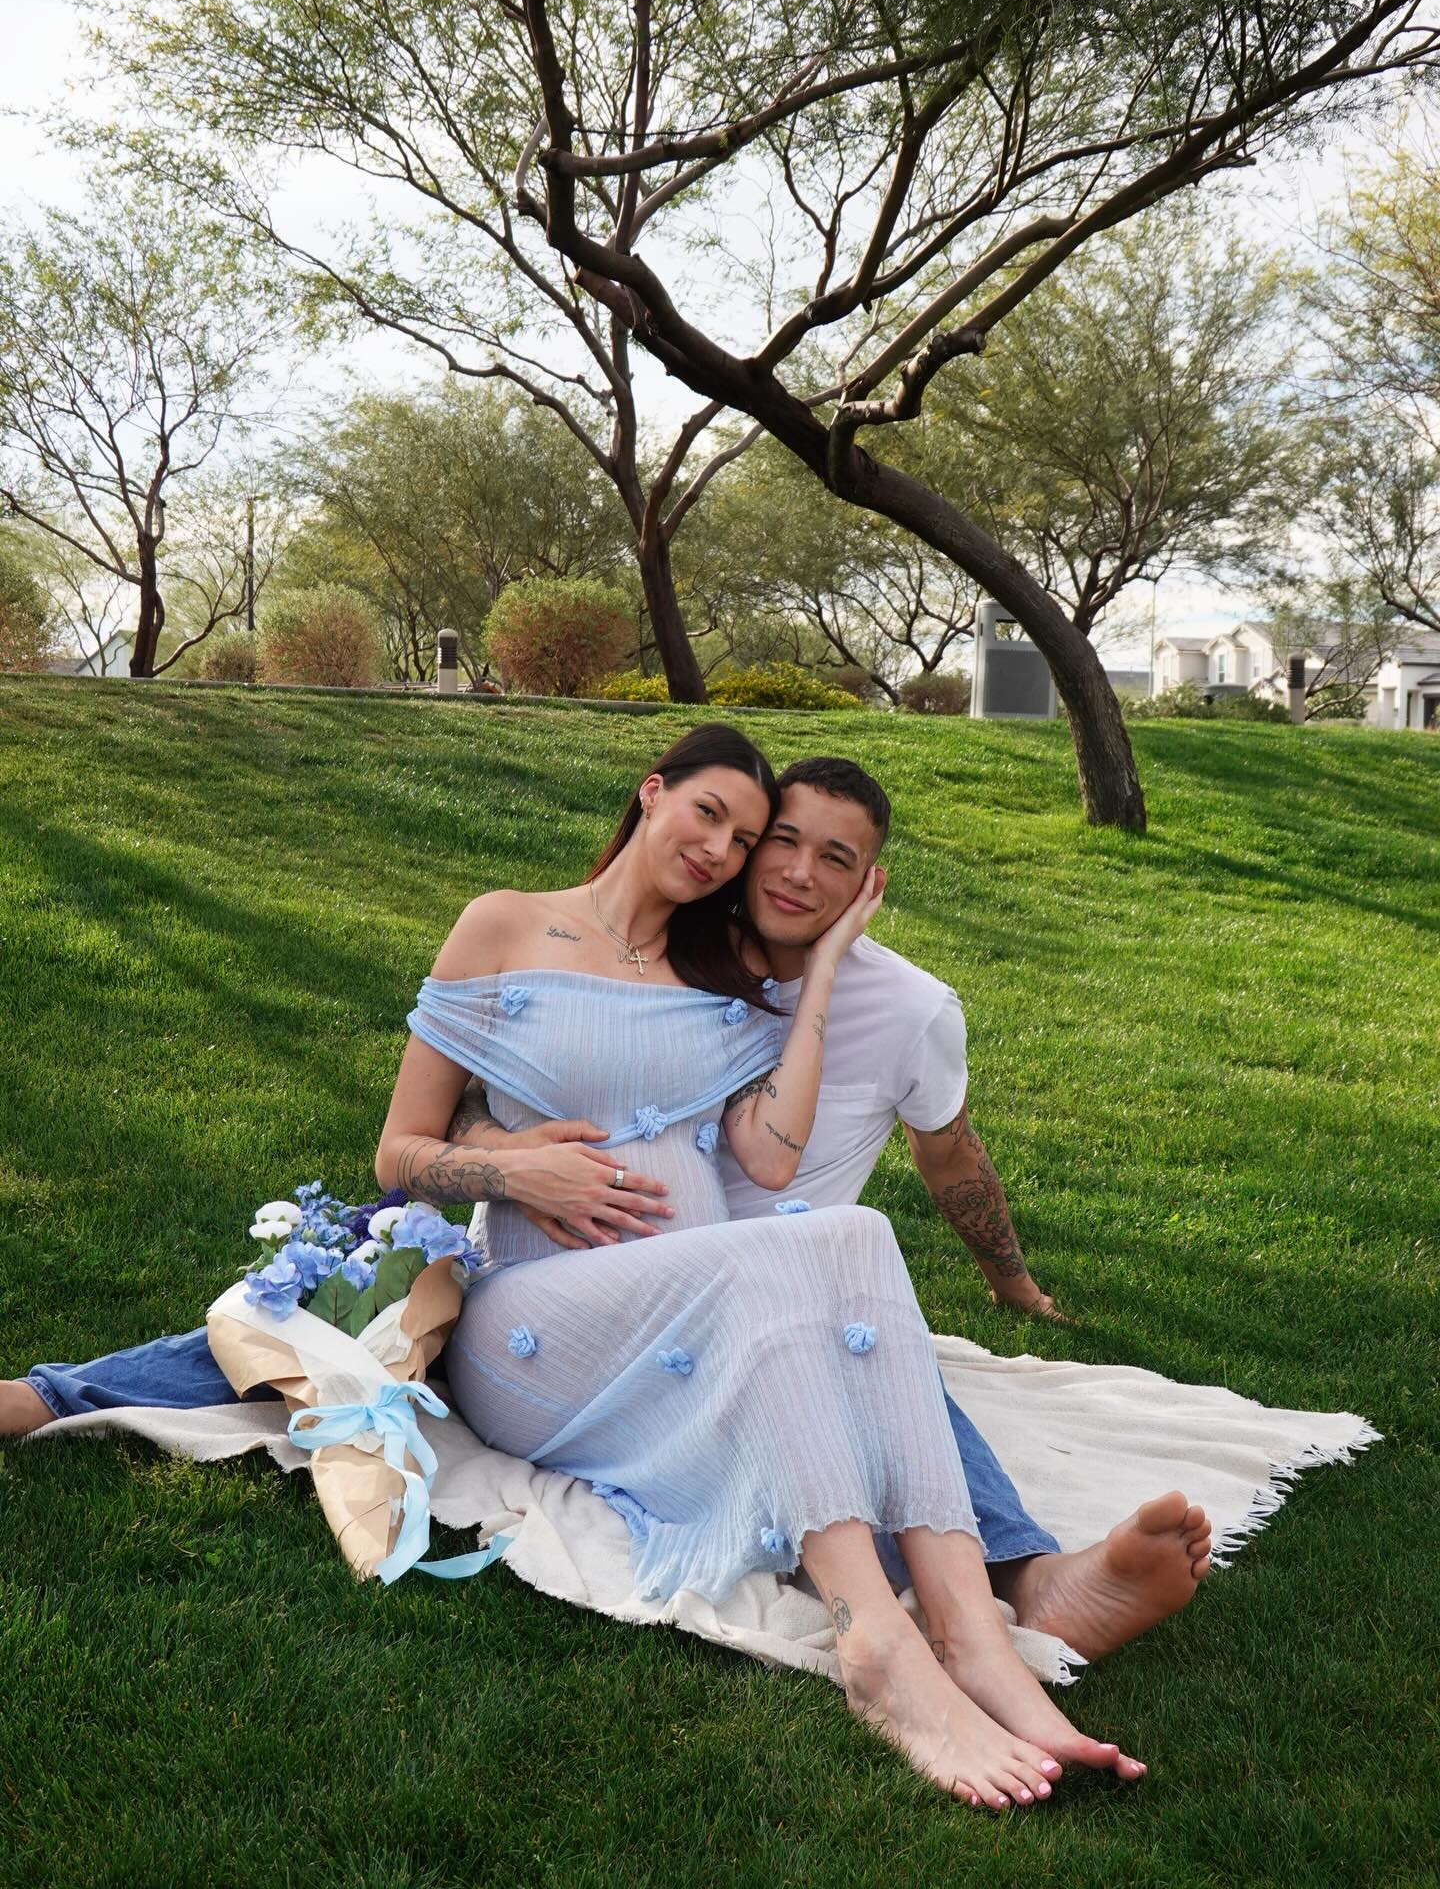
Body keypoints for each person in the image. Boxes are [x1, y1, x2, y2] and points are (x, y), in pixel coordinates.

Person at [1, 723, 1142, 1810]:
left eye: (746, 839)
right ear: (652, 792)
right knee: (340, 1282)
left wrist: (831, 968)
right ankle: (878, 1644)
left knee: (852, 1239)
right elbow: (399, 1154)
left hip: (685, 1311)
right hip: (536, 1323)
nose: (726, 851)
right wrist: (512, 1168)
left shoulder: (720, 973)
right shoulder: (503, 925)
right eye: (713, 816)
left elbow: (773, 1158)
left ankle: (975, 1642)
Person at [453, 755, 1211, 1666]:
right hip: (608, 1287)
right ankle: (989, 1591)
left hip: (806, 1287)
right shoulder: (674, 953)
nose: (798, 873)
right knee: (828, 1339)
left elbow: (949, 1154)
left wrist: (1012, 1283)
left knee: (855, 1330)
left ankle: (1024, 1577)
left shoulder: (909, 1009)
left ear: (868, 884)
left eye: (836, 859)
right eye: (779, 841)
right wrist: (502, 1156)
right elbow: (507, 1080)